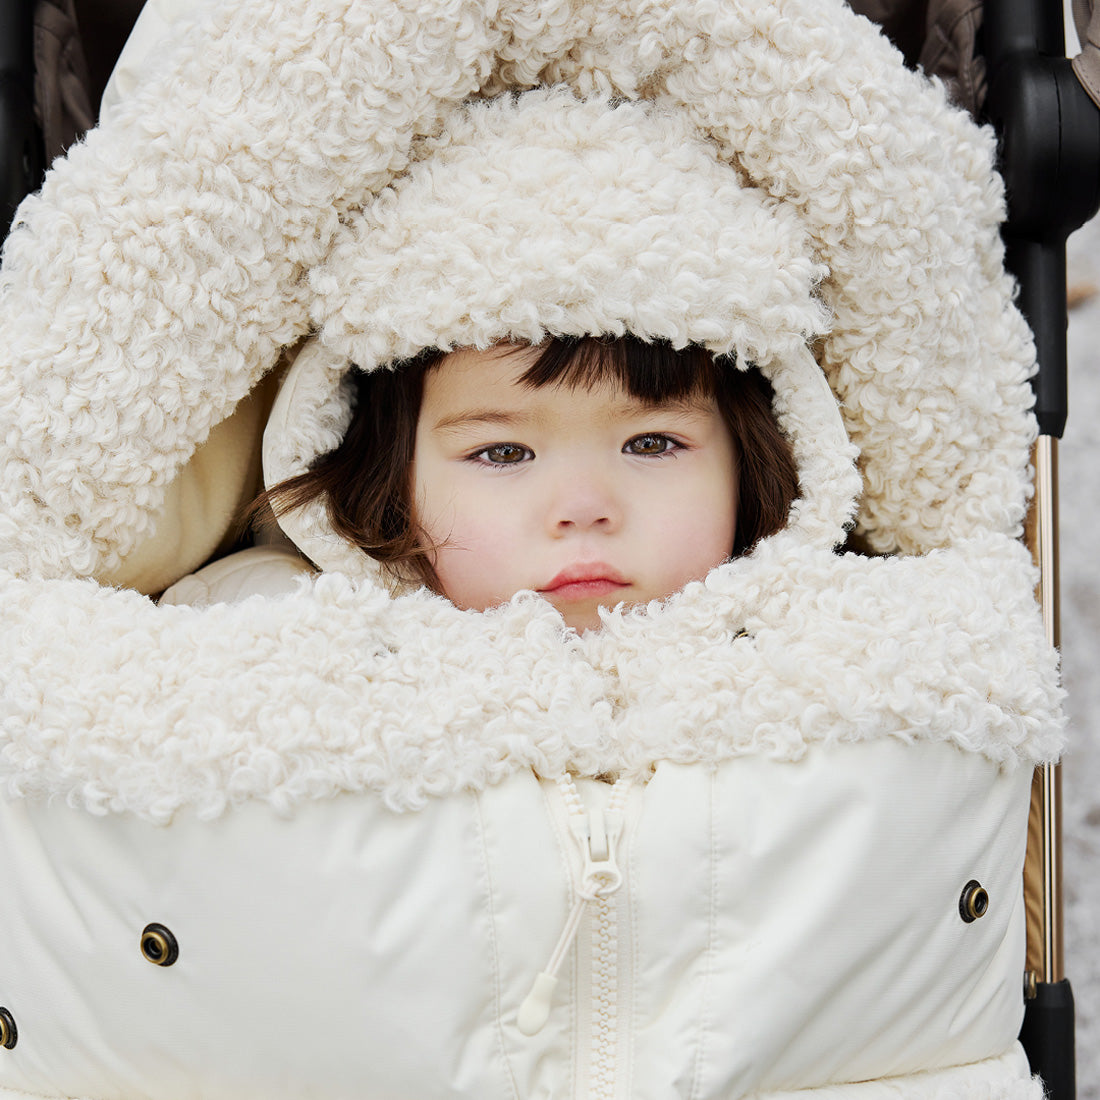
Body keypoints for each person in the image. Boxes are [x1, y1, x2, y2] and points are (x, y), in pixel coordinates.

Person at [163, 336, 799, 631]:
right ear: (393, 489)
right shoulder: (266, 638)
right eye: (502, 452)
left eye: (651, 444)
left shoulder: (842, 655)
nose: (583, 510)